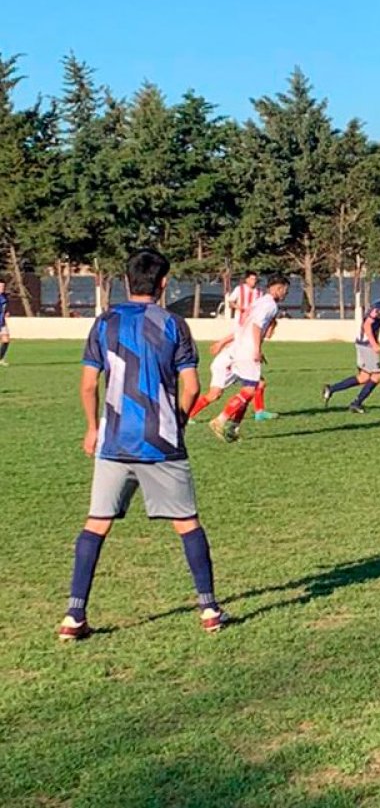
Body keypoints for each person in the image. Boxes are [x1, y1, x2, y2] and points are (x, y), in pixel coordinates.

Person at [58, 248, 226, 641]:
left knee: (95, 523)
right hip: (161, 441)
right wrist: (178, 422)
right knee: (187, 523)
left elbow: (87, 384)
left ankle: (73, 615)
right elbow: (193, 387)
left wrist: (90, 428)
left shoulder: (105, 323)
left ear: (125, 280)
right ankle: (208, 609)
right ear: (163, 283)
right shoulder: (174, 325)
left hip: (115, 440)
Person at [209, 275, 289, 442]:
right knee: (250, 390)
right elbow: (256, 326)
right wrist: (256, 349)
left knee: (254, 386)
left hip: (239, 348)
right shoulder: (270, 305)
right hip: (246, 350)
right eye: (284, 290)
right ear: (277, 288)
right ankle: (221, 420)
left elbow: (245, 325)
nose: (285, 294)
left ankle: (234, 427)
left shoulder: (258, 302)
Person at [323, 280, 380, 414]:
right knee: (378, 376)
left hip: (362, 342)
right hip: (367, 344)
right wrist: (374, 344)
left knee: (364, 377)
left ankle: (331, 389)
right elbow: (367, 325)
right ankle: (356, 403)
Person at [190, 320, 279, 423]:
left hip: (237, 364)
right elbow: (237, 335)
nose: (273, 332)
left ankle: (259, 412)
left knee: (259, 383)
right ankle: (187, 415)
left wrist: (258, 353)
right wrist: (221, 343)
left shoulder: (258, 334)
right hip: (226, 364)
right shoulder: (254, 331)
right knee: (214, 394)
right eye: (273, 329)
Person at [0, 278, 10, 366]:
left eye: (3, 286)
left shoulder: (4, 296)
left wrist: (6, 312)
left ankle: (1, 359)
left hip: (2, 321)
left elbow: (5, 307)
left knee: (6, 340)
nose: (2, 288)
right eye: (0, 286)